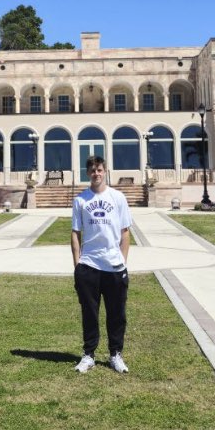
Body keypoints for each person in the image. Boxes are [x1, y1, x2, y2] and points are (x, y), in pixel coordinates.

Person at [70, 155, 132, 373]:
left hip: (114, 267)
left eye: (99, 170)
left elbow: (125, 233)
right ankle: (88, 355)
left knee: (117, 314)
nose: (96, 173)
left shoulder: (118, 198)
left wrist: (122, 263)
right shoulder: (80, 200)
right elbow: (75, 234)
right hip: (89, 266)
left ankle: (116, 354)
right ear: (87, 173)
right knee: (90, 313)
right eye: (92, 170)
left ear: (105, 171)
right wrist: (77, 266)